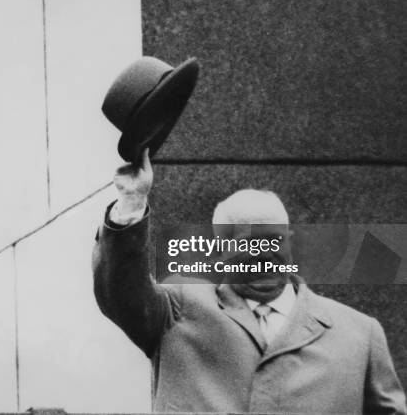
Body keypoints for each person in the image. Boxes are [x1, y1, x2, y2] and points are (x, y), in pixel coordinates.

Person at [93, 148, 406, 413]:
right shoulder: (175, 311)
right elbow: (120, 290)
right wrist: (132, 202)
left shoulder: (360, 335)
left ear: (291, 242)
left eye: (272, 241)